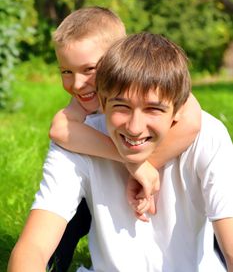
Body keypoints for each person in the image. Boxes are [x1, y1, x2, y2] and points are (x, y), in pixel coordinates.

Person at [8, 33, 233, 271]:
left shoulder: (208, 136)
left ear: (179, 109)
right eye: (121, 107)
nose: (135, 128)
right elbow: (33, 247)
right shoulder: (78, 141)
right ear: (102, 103)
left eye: (153, 109)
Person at [47, 7, 201, 271]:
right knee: (70, 216)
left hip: (157, 177)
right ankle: (55, 261)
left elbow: (192, 121)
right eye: (66, 71)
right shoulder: (83, 101)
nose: (77, 84)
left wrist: (147, 165)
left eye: (89, 69)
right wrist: (133, 165)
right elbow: (60, 130)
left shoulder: (148, 88)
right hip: (100, 181)